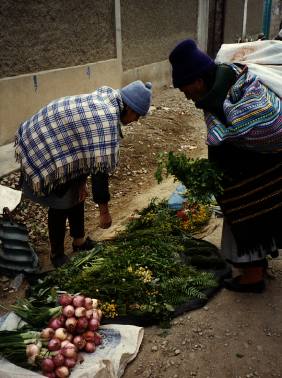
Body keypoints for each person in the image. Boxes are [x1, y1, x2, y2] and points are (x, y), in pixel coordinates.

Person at [169, 39, 282, 293]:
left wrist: (217, 175)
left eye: (184, 88)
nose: (185, 95)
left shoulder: (217, 94)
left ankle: (252, 276)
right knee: (261, 211)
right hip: (266, 161)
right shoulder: (226, 73)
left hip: (254, 167)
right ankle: (258, 264)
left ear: (197, 80)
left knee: (242, 210)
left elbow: (227, 137)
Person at [15, 80, 152, 268]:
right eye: (137, 116)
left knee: (77, 194)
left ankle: (79, 241)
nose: (135, 121)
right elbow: (100, 171)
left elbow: (87, 151)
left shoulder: (111, 100)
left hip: (64, 140)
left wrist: (81, 182)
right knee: (60, 201)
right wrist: (104, 212)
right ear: (129, 107)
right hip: (45, 140)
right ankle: (56, 254)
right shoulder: (107, 118)